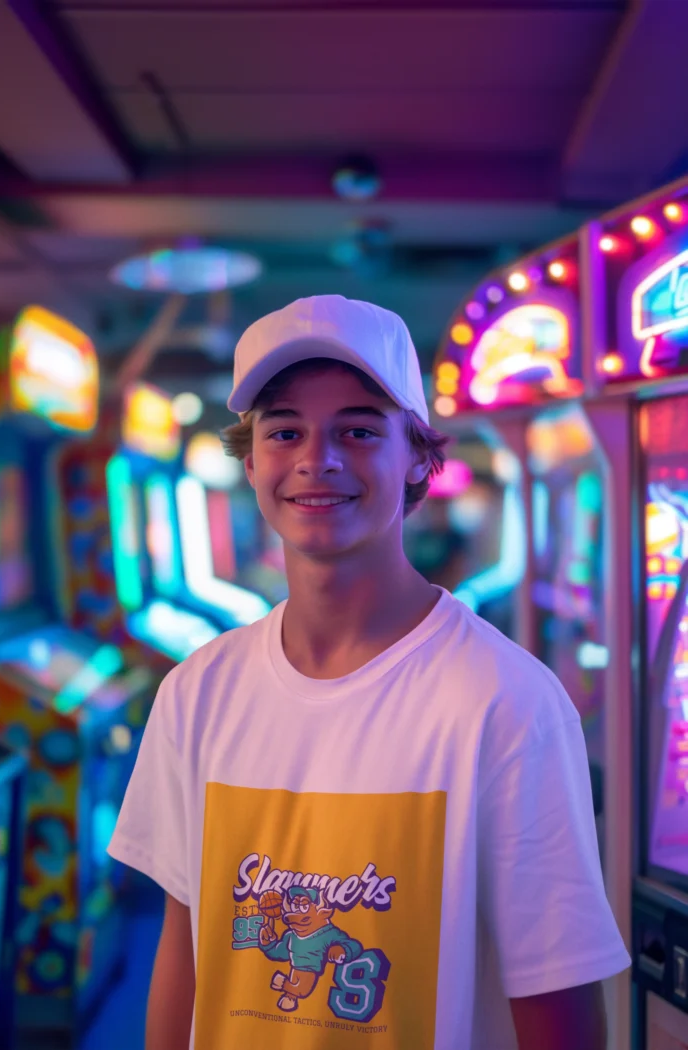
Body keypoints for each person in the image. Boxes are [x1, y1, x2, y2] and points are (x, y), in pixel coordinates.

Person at [107, 295, 630, 1050]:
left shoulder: (507, 702)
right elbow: (186, 952)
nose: (316, 459)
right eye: (285, 431)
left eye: (357, 430)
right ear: (251, 460)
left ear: (419, 457)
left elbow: (559, 1004)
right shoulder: (197, 688)